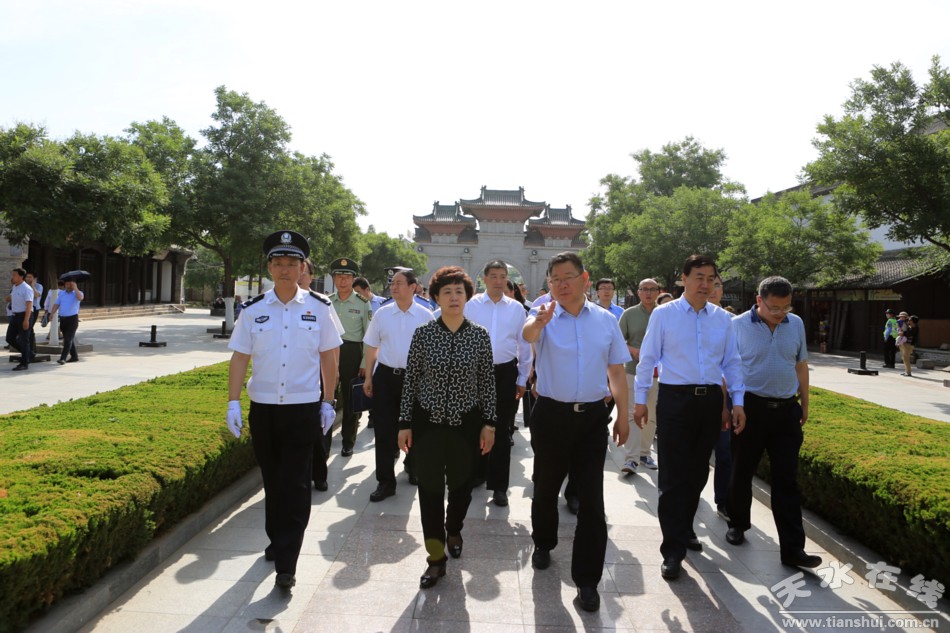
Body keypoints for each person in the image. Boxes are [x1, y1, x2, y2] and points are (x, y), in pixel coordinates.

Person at [226, 230, 342, 589]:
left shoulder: (319, 308)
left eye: (292, 263)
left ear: (302, 267)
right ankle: (277, 540)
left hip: (302, 409)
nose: (285, 269)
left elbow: (329, 357)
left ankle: (287, 563)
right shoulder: (253, 310)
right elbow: (240, 357)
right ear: (269, 268)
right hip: (264, 409)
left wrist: (328, 400)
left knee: (295, 484)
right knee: (273, 481)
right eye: (279, 263)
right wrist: (233, 401)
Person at [523, 252, 631, 613]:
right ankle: (543, 542)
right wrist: (539, 322)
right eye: (555, 279)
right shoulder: (543, 314)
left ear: (585, 279)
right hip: (551, 415)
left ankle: (587, 580)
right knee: (546, 487)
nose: (561, 284)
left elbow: (616, 371)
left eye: (568, 277)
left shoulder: (605, 320)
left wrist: (623, 415)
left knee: (592, 500)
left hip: (592, 419)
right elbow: (527, 334)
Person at [634, 255, 745, 581]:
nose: (705, 284)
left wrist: (737, 401)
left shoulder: (723, 319)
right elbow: (648, 358)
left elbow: (732, 362)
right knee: (672, 475)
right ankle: (673, 550)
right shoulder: (664, 314)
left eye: (711, 278)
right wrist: (640, 400)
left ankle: (683, 528)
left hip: (709, 401)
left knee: (697, 473)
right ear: (684, 279)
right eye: (699, 277)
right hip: (675, 399)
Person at [398, 265, 496, 589]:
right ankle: (435, 559)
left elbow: (487, 383)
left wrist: (490, 424)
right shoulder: (423, 334)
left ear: (467, 297)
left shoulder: (479, 336)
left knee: (462, 488)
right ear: (436, 297)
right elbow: (411, 382)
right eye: (447, 292)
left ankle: (454, 528)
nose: (454, 297)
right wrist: (404, 423)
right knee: (429, 493)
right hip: (427, 424)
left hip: (466, 425)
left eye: (459, 292)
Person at [726, 276, 822, 569]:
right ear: (759, 301)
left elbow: (801, 364)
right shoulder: (737, 325)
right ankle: (738, 523)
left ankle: (793, 549)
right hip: (750, 409)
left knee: (787, 480)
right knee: (742, 471)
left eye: (786, 307)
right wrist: (730, 406)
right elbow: (728, 368)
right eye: (774, 308)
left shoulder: (796, 324)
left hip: (786, 411)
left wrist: (805, 403)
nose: (781, 313)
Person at [362, 268, 434, 501]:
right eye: (392, 283)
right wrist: (369, 377)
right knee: (384, 430)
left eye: (399, 283)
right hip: (385, 377)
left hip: (416, 379)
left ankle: (413, 467)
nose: (393, 287)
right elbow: (372, 346)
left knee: (416, 426)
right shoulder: (382, 314)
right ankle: (385, 482)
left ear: (413, 287)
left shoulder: (426, 315)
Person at [464, 261, 532, 507]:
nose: (498, 281)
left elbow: (524, 345)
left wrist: (522, 378)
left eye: (503, 276)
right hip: (473, 373)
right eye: (493, 276)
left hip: (505, 373)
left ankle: (500, 487)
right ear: (484, 279)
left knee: (502, 430)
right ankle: (475, 474)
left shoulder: (516, 309)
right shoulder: (470, 305)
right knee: (473, 425)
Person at [325, 257, 371, 458]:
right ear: (333, 278)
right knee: (327, 397)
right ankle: (324, 442)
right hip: (328, 352)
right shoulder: (326, 302)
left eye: (347, 277)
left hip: (352, 353)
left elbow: (369, 336)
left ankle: (348, 442)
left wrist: (365, 362)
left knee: (351, 399)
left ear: (353, 279)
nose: (342, 280)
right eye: (338, 276)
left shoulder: (363, 303)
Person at [618, 278, 661, 474]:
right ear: (638, 292)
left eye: (652, 289)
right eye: (644, 289)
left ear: (658, 291)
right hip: (633, 371)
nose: (648, 293)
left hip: (658, 374)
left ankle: (645, 453)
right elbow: (618, 340)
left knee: (651, 415)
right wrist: (633, 350)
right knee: (632, 413)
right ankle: (631, 458)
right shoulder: (629, 314)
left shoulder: (664, 313)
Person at [707, 275, 732, 521]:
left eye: (716, 285)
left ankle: (723, 500)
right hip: (701, 397)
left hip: (728, 398)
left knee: (725, 452)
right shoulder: (687, 320)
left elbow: (734, 363)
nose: (712, 289)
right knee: (698, 454)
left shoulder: (733, 322)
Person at [48, 279, 84, 365]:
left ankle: (63, 358)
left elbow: (80, 298)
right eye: (67, 284)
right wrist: (52, 313)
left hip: (72, 319)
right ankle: (74, 357)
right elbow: (56, 304)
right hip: (63, 319)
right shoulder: (62, 293)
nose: (68, 286)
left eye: (70, 284)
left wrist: (75, 288)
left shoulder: (78, 293)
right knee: (68, 339)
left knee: (68, 339)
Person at [6, 268, 34, 371]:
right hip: (15, 316)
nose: (13, 277)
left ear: (21, 276)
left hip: (24, 315)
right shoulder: (15, 287)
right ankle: (29, 353)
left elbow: (29, 305)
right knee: (9, 338)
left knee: (24, 340)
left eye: (14, 275)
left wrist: (26, 320)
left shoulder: (26, 288)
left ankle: (24, 363)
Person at [25, 272, 43, 354]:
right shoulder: (24, 286)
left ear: (35, 279)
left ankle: (31, 349)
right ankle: (31, 349)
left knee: (30, 328)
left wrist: (32, 286)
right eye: (27, 277)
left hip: (34, 309)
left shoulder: (39, 286)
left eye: (30, 277)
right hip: (25, 308)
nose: (28, 279)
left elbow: (36, 295)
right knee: (28, 329)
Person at [897, 312, 918, 377]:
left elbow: (909, 334)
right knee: (904, 357)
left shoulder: (915, 327)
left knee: (906, 358)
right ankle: (906, 371)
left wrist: (903, 333)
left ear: (913, 321)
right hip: (904, 343)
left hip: (909, 344)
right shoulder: (908, 326)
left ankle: (908, 372)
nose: (908, 320)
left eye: (910, 319)